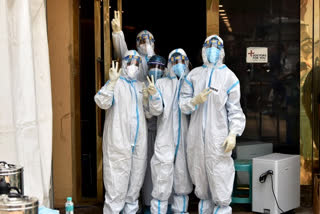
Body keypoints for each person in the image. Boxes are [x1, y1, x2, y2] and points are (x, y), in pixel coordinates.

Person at [179, 35, 246, 214]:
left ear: (222, 51)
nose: (212, 50)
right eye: (209, 47)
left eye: (216, 47)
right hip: (195, 140)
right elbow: (183, 105)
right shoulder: (193, 76)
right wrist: (194, 100)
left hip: (218, 139)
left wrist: (233, 133)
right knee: (200, 180)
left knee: (220, 177)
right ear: (203, 50)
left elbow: (235, 110)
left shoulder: (229, 77)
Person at [94, 50, 148, 214]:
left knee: (133, 188)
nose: (133, 67)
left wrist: (152, 97)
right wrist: (111, 83)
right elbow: (101, 101)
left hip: (138, 144)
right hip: (118, 144)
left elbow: (151, 112)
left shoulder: (141, 87)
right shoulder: (116, 84)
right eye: (130, 63)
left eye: (137, 64)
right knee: (116, 190)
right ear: (124, 64)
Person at [147, 49, 193, 213]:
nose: (178, 64)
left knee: (183, 179)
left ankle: (181, 211)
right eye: (174, 61)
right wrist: (154, 96)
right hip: (165, 137)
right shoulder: (161, 83)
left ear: (187, 62)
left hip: (185, 138)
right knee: (161, 177)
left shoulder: (190, 81)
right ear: (169, 63)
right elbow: (156, 111)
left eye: (181, 60)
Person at [142, 55, 167, 213]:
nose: (156, 70)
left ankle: (165, 205)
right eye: (153, 66)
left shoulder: (166, 85)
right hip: (148, 133)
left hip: (164, 133)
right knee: (147, 171)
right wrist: (146, 99)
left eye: (160, 67)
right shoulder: (143, 85)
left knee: (164, 170)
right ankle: (147, 203)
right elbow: (147, 114)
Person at [111, 10, 155, 82]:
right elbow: (122, 51)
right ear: (137, 44)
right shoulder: (134, 57)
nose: (146, 44)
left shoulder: (157, 60)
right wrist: (117, 33)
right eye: (142, 41)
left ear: (153, 43)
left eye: (149, 41)